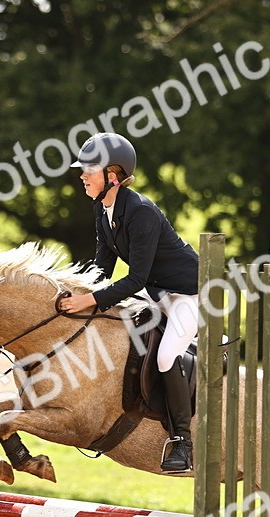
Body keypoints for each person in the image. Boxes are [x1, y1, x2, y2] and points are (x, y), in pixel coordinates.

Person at [58, 132, 200, 473]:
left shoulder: (141, 212)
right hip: (158, 294)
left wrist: (89, 301)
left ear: (113, 175)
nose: (81, 176)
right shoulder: (102, 208)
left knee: (166, 356)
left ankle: (182, 440)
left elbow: (135, 277)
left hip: (191, 294)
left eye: (88, 170)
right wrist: (72, 290)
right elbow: (102, 269)